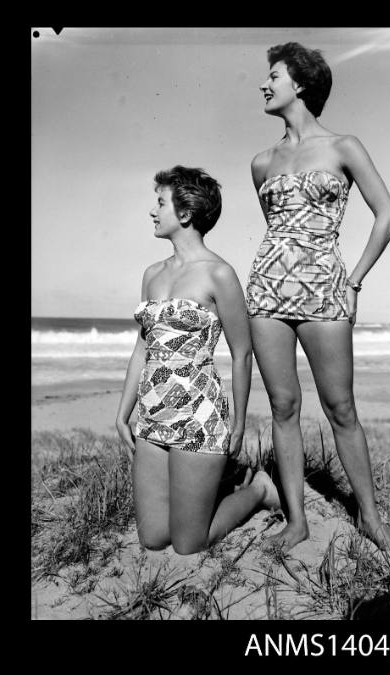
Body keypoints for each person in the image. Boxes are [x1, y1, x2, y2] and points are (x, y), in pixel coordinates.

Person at [246, 42, 390, 562]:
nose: (264, 85)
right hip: (267, 291)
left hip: (325, 290)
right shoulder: (261, 161)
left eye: (273, 76)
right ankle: (297, 521)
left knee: (341, 408)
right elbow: (278, 231)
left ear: (302, 84)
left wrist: (353, 281)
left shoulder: (344, 146)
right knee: (283, 407)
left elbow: (387, 216)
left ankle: (372, 520)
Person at [116, 165, 279, 554]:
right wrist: (123, 413)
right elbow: (143, 348)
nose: (153, 212)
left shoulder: (220, 274)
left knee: (189, 544)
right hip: (154, 416)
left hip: (199, 417)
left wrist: (238, 423)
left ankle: (257, 489)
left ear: (185, 213)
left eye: (160, 203)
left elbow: (242, 353)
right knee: (154, 538)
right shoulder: (152, 274)